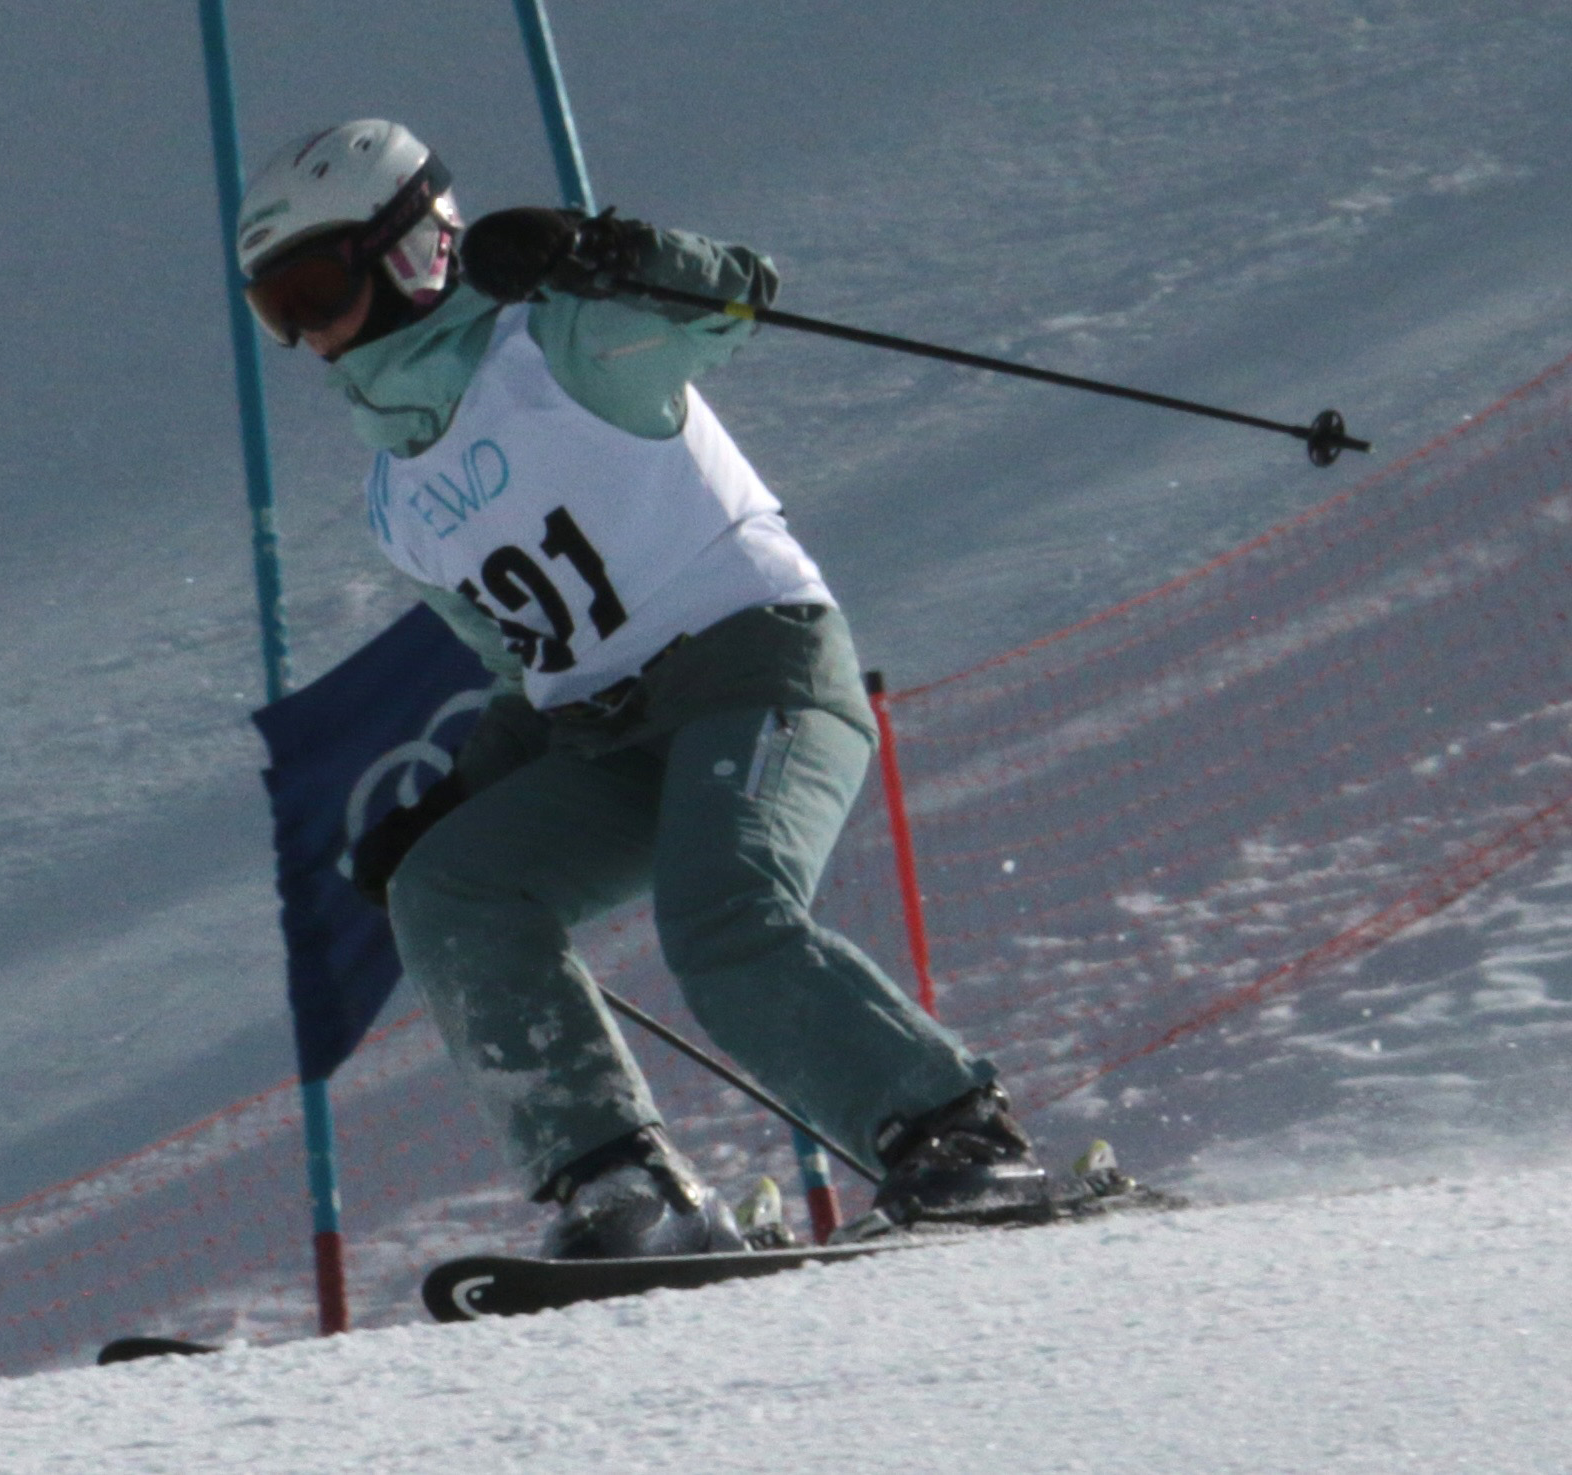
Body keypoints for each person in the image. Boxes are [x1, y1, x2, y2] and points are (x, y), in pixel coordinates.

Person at [236, 119, 1045, 1258]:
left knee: (722, 910)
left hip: (754, 670)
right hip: (604, 740)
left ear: (411, 248)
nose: (310, 333)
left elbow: (735, 295)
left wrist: (599, 253)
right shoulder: (396, 496)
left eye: (317, 289)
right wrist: (453, 800)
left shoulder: (559, 346)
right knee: (449, 889)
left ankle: (957, 1134)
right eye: (279, 310)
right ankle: (622, 1187)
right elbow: (523, 667)